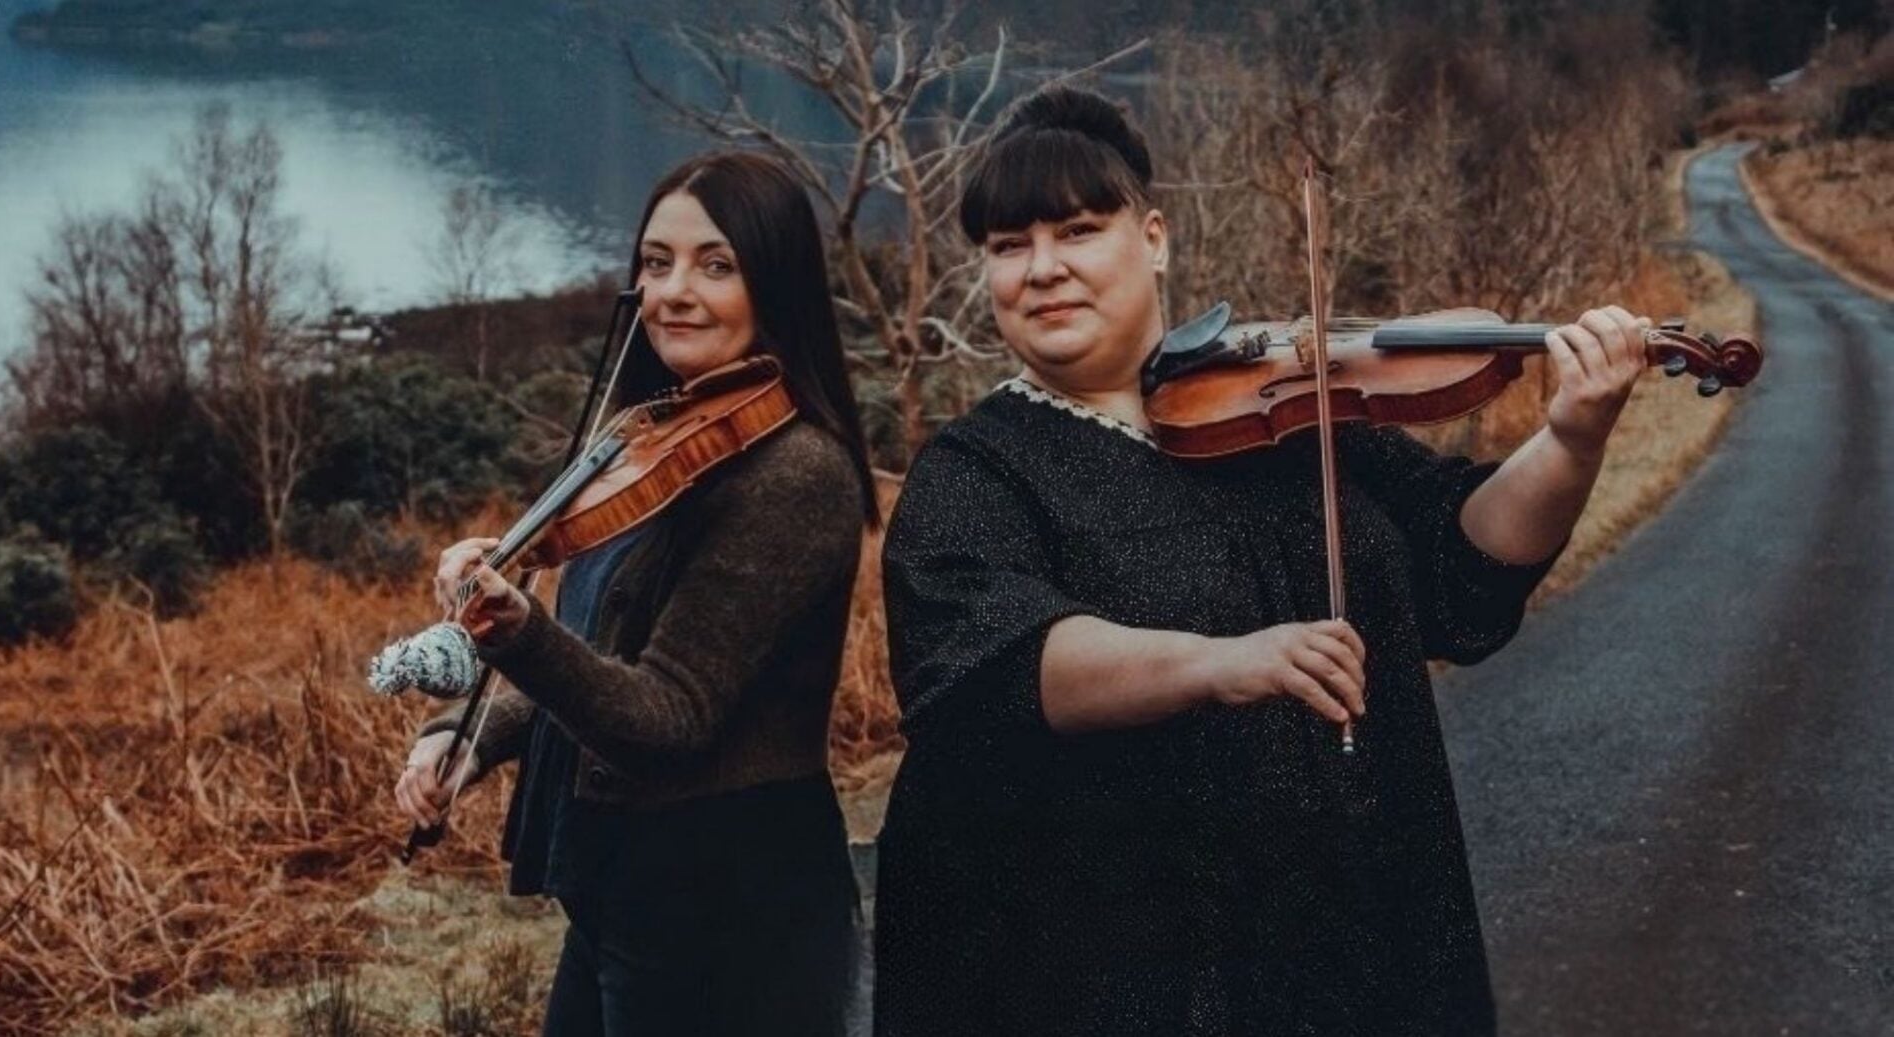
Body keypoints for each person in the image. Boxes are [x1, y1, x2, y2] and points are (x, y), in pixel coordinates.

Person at [873, 86, 1653, 1036]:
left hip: (1364, 933)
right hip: (1137, 971)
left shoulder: (1286, 406)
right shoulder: (977, 470)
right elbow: (996, 665)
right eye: (1008, 246)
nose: (1042, 270)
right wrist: (1220, 659)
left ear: (1152, 236)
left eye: (1077, 230)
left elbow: (1461, 557)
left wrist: (1572, 441)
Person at [393, 151, 877, 1037]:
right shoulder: (653, 439)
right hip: (634, 884)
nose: (672, 292)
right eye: (656, 263)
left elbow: (668, 716)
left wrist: (514, 627)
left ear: (777, 285)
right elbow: (599, 651)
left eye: (715, 265)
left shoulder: (797, 473)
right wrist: (471, 739)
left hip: (729, 899)